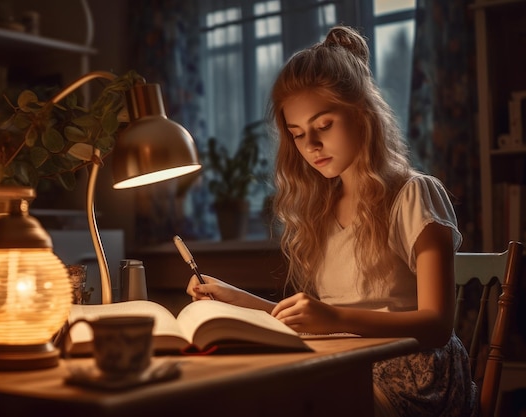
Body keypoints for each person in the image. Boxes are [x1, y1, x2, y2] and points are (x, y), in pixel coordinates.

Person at [187, 25, 477, 417]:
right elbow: (321, 321)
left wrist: (332, 319)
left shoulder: (412, 194)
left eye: (324, 126)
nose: (311, 146)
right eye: (298, 134)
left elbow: (438, 326)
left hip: (415, 371)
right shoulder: (321, 208)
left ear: (363, 115)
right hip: (347, 358)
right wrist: (236, 298)